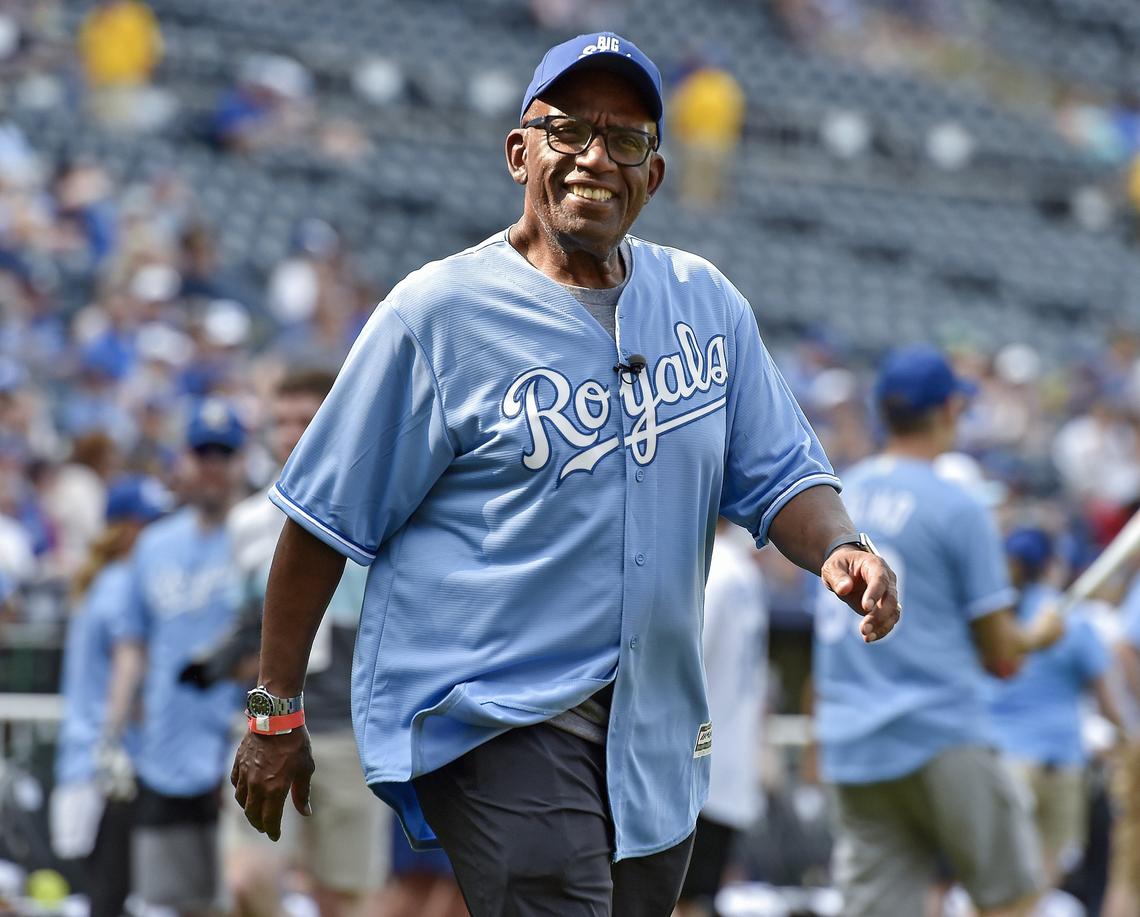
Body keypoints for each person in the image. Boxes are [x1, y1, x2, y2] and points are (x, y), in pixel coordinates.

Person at [231, 31, 900, 917]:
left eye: (627, 141)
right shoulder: (437, 313)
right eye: (569, 130)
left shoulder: (705, 302)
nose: (596, 158)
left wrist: (840, 547)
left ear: (653, 175)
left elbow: (781, 473)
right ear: (520, 152)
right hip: (494, 709)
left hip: (650, 727)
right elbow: (321, 519)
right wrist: (275, 710)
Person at [813, 345, 1064, 917]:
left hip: (852, 742)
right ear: (951, 408)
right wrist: (1038, 636)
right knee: (1014, 898)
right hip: (940, 731)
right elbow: (1002, 657)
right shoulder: (960, 504)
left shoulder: (834, 499)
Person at [185, 370, 387, 917]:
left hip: (349, 729)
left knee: (345, 898)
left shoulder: (381, 505)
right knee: (247, 879)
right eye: (281, 421)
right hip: (268, 724)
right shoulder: (249, 521)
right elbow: (246, 625)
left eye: (305, 420)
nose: (291, 433)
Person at [117, 398, 248, 917]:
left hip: (241, 743)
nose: (212, 465)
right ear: (185, 461)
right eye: (203, 453)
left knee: (243, 892)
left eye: (224, 452)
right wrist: (114, 731)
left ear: (241, 461)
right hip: (166, 749)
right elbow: (134, 646)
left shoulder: (262, 535)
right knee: (171, 901)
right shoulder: (154, 545)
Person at [50, 474, 171, 917]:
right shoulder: (124, 583)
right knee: (113, 895)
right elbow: (127, 666)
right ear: (127, 530)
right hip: (114, 762)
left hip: (86, 758)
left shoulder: (99, 581)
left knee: (104, 893)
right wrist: (116, 734)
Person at [989, 527, 1122, 889]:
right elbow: (1110, 703)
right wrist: (1126, 736)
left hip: (997, 760)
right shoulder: (1072, 621)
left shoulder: (992, 620)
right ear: (1050, 564)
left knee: (996, 882)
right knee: (1043, 880)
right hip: (1058, 764)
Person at [676, 518, 768, 917]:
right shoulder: (744, 570)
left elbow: (683, 666)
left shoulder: (708, 566)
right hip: (728, 764)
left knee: (674, 900)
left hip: (691, 770)